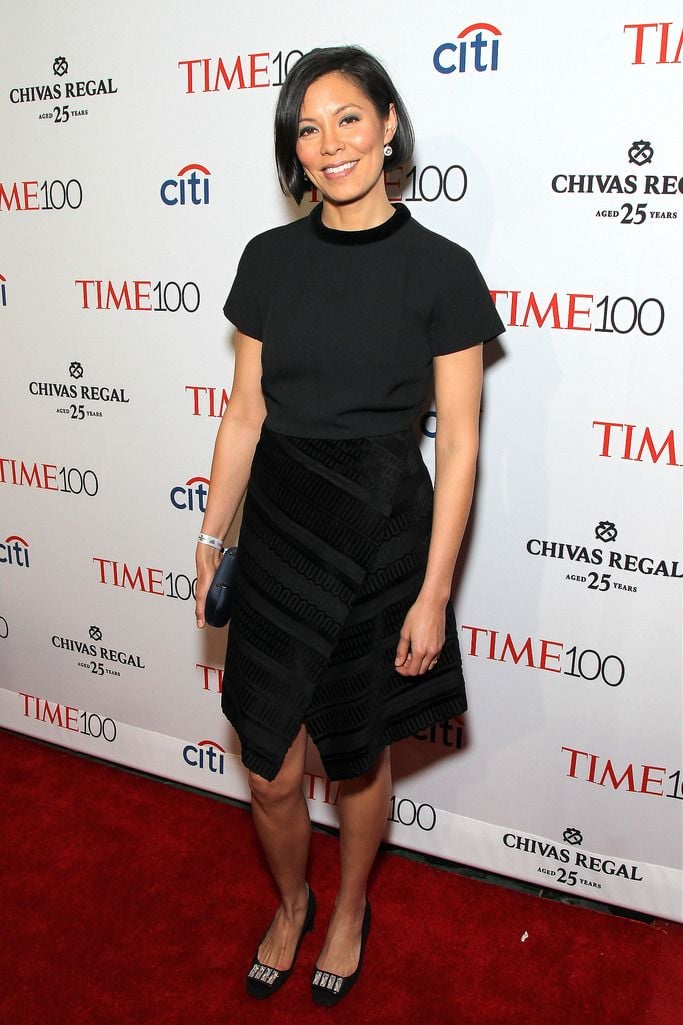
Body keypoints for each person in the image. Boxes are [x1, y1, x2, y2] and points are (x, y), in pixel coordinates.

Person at [194, 45, 504, 1006]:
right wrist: (211, 538)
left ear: (387, 126)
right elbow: (245, 413)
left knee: (358, 753)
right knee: (270, 763)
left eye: (346, 119)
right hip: (283, 523)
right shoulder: (267, 258)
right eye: (306, 128)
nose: (328, 144)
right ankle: (291, 898)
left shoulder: (441, 271)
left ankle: (348, 905)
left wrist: (434, 592)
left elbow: (457, 444)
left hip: (379, 531)